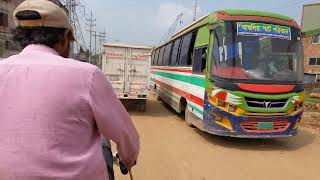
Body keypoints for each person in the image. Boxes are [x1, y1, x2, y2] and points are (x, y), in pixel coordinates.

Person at [0, 0, 139, 180]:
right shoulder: (88, 75)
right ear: (65, 37)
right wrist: (128, 159)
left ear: (19, 37)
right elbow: (127, 137)